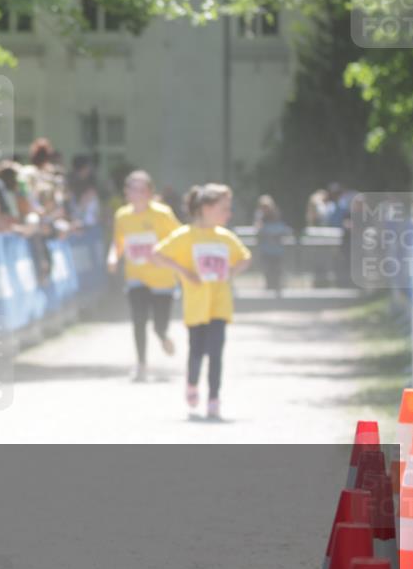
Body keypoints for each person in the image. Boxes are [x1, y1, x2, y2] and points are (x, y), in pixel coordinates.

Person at [152, 184, 251, 420]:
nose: (228, 214)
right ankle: (192, 383)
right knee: (197, 351)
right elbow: (157, 255)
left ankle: (214, 399)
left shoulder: (225, 237)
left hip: (220, 304)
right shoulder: (186, 236)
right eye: (223, 209)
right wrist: (183, 272)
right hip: (196, 306)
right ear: (206, 208)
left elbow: (245, 257)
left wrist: (231, 272)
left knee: (216, 352)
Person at [107, 170, 181, 382]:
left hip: (162, 279)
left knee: (159, 325)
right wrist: (112, 257)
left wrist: (161, 253)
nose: (137, 194)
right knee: (138, 319)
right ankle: (141, 364)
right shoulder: (122, 215)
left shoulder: (162, 214)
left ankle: (163, 336)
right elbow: (118, 242)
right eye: (133, 189)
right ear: (126, 192)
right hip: (136, 276)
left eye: (142, 190)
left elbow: (179, 238)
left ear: (150, 193)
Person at [253, 195, 291, 296]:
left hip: (277, 250)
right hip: (266, 250)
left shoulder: (277, 215)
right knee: (267, 270)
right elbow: (258, 232)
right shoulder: (260, 217)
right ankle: (269, 289)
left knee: (277, 270)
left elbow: (284, 230)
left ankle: (277, 289)